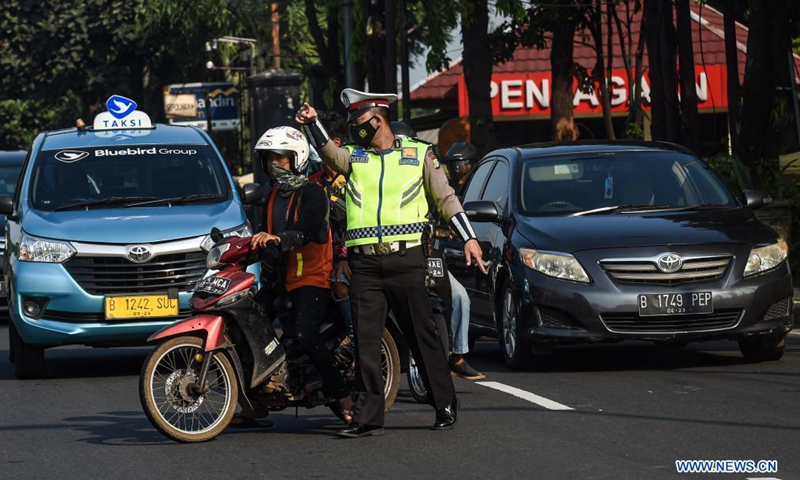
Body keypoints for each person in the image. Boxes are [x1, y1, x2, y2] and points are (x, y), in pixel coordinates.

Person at [296, 88, 485, 438]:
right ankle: (369, 417)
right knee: (366, 341)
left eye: (358, 123)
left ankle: (444, 401)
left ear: (377, 119)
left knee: (421, 334)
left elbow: (446, 198)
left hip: (407, 258)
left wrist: (469, 237)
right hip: (364, 266)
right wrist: (313, 125)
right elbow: (328, 152)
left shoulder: (419, 154)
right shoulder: (355, 157)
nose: (355, 130)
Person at [239, 125, 354, 426]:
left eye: (281, 158)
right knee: (243, 323)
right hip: (279, 279)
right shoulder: (272, 196)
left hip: (311, 278)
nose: (275, 165)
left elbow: (307, 228)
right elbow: (260, 235)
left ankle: (340, 393)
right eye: (269, 159)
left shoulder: (312, 193)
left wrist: (280, 239)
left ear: (297, 158)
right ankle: (253, 402)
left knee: (306, 334)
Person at [307, 111, 353, 338]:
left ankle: (354, 341)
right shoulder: (311, 183)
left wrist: (343, 256)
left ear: (334, 144)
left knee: (340, 282)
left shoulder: (354, 178)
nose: (311, 147)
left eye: (315, 141)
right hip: (317, 260)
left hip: (350, 256)